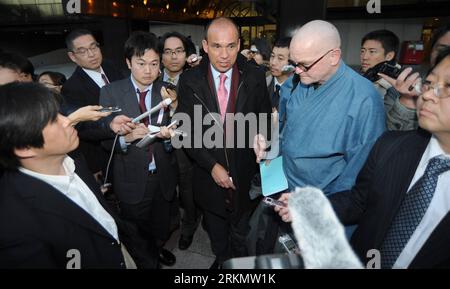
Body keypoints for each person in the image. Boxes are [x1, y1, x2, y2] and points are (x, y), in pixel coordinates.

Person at [276, 47, 450, 269]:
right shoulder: (392, 147)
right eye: (429, 83)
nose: (427, 95)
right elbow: (359, 201)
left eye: (447, 87)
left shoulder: (363, 97)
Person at [0, 82, 156, 268]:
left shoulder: (73, 158)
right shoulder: (14, 226)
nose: (68, 120)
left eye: (59, 113)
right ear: (23, 148)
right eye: (52, 120)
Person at [176, 17, 272, 268]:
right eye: (217, 46)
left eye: (231, 46)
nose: (224, 54)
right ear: (205, 46)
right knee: (217, 234)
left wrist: (263, 139)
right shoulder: (189, 80)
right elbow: (186, 131)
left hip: (246, 172)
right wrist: (211, 166)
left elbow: (264, 118)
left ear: (239, 44)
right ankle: (222, 260)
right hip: (208, 175)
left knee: (242, 233)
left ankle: (237, 266)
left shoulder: (255, 75)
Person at [255, 20, 385, 195]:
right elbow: (284, 128)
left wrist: (324, 208)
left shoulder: (364, 99)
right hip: (284, 186)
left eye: (305, 65)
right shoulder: (295, 83)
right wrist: (267, 140)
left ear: (334, 56)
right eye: (294, 63)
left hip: (325, 200)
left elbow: (360, 173)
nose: (298, 71)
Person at [99, 31, 178, 267]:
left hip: (162, 174)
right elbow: (102, 139)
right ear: (128, 62)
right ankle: (146, 259)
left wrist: (167, 137)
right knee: (135, 228)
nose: (148, 71)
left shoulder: (167, 91)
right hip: (130, 177)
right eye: (141, 64)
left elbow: (181, 131)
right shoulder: (111, 92)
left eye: (154, 64)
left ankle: (157, 249)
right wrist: (125, 138)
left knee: (161, 223)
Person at [62, 29, 124, 182]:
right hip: (103, 155)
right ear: (72, 56)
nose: (91, 54)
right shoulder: (72, 87)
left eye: (94, 47)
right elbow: (82, 128)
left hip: (131, 145)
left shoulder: (112, 67)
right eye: (82, 51)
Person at [159, 31, 201, 250]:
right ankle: (170, 223)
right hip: (156, 146)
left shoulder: (196, 78)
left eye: (179, 51)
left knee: (187, 187)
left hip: (186, 144)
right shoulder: (151, 78)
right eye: (168, 52)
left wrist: (175, 107)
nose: (174, 57)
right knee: (164, 187)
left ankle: (189, 226)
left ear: (187, 55)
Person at [268, 37, 292, 110]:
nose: (273, 62)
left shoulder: (299, 90)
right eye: (272, 56)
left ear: (292, 62)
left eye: (280, 58)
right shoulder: (263, 82)